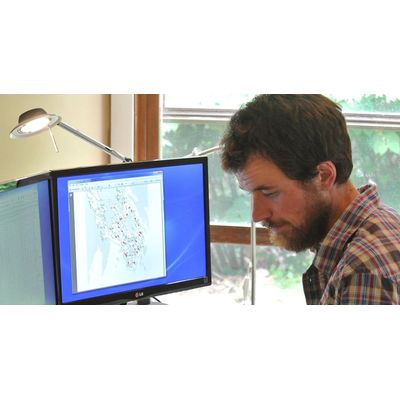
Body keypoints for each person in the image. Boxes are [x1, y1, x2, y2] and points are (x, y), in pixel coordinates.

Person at [220, 94, 400, 305]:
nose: (257, 215)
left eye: (270, 193)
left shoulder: (363, 273)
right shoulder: (380, 220)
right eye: (251, 193)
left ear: (324, 176)